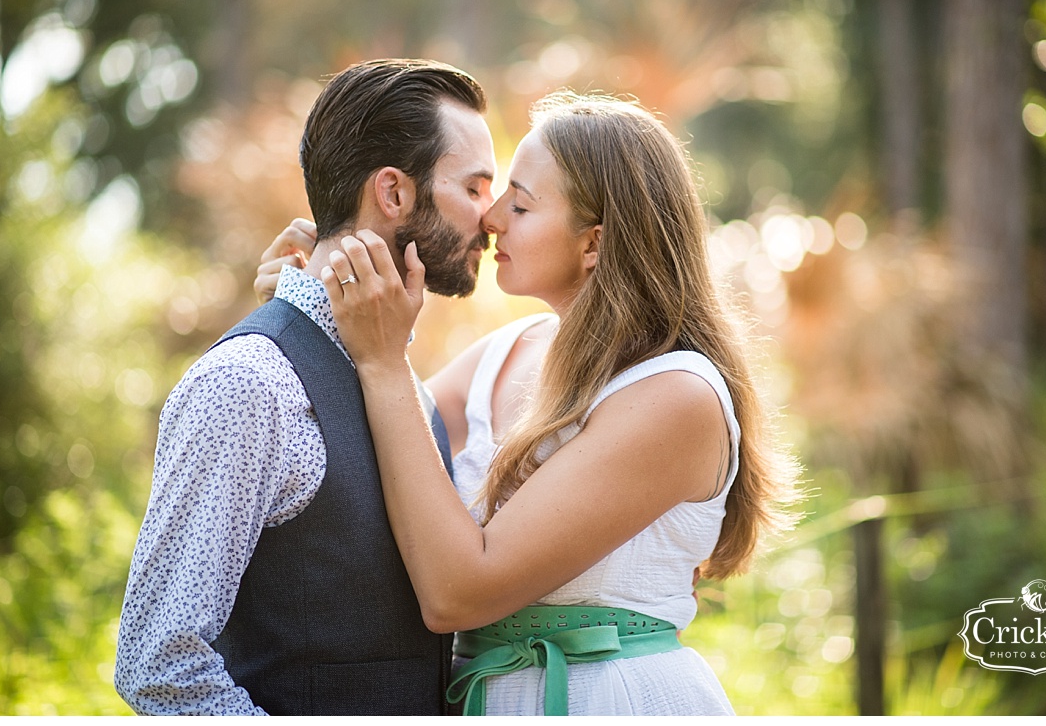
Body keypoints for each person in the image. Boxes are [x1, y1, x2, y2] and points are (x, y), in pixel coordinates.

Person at [260, 90, 800, 715]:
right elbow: (361, 452)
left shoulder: (675, 397)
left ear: (594, 244)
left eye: (518, 203)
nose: (490, 221)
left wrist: (383, 360)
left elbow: (460, 592)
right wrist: (308, 307)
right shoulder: (502, 354)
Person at [114, 58, 497, 715]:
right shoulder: (247, 385)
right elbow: (159, 666)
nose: (490, 220)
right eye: (475, 188)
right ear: (395, 194)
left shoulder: (405, 387)